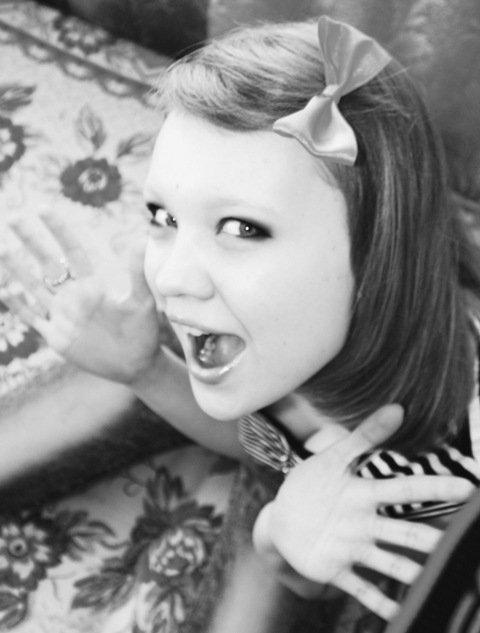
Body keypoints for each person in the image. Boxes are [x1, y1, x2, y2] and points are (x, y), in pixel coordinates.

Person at [1, 14, 480, 631]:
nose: (171, 277)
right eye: (164, 217)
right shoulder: (253, 332)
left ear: (378, 253)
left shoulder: (453, 460)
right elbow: (261, 441)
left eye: (242, 227)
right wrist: (146, 371)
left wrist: (281, 543)